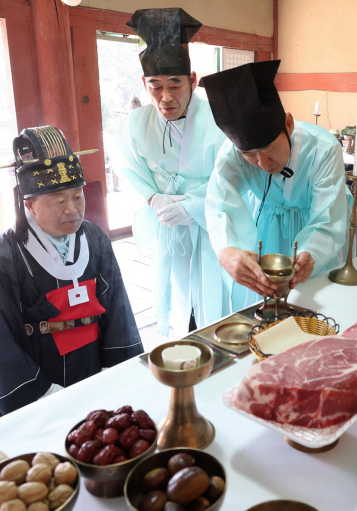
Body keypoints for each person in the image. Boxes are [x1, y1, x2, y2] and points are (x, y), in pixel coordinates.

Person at [0, 126, 143, 423]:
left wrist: (114, 374)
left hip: (96, 373)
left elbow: (117, 309)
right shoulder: (2, 258)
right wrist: (48, 398)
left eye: (78, 196)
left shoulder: (95, 239)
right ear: (30, 204)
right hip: (41, 392)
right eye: (60, 201)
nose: (73, 209)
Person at [202, 60, 351, 311]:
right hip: (267, 227)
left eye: (268, 149)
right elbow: (220, 203)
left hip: (314, 230)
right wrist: (227, 251)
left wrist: (312, 251)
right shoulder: (232, 153)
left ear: (289, 124)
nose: (262, 163)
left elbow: (327, 216)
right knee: (262, 302)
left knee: (313, 303)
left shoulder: (323, 149)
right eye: (249, 154)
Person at [115, 8, 229, 335]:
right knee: (173, 291)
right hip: (167, 224)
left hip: (210, 224)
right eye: (155, 86)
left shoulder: (219, 119)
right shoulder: (135, 124)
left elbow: (234, 177)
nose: (165, 98)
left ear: (192, 81)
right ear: (144, 83)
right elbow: (128, 165)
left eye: (175, 85)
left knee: (211, 293)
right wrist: (153, 198)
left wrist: (192, 206)